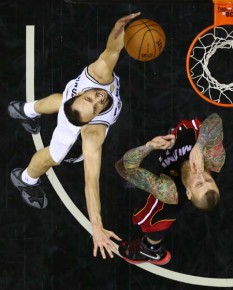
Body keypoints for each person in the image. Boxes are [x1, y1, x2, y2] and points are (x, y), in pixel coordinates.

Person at [8, 12, 141, 260]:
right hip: (70, 128)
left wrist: (119, 28)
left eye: (91, 98)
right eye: (95, 107)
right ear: (91, 121)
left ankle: (25, 110)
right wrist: (97, 227)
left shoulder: (97, 76)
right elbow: (91, 183)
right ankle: (25, 179)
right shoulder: (91, 135)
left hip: (69, 102)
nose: (99, 99)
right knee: (52, 156)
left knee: (60, 101)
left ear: (80, 95)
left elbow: (113, 48)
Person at [115, 113, 225, 265]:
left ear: (188, 192)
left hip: (163, 174)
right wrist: (200, 144)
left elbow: (122, 168)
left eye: (199, 184)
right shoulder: (213, 159)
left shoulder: (168, 190)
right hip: (180, 124)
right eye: (208, 180)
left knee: (155, 218)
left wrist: (148, 147)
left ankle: (150, 249)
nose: (201, 176)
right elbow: (215, 119)